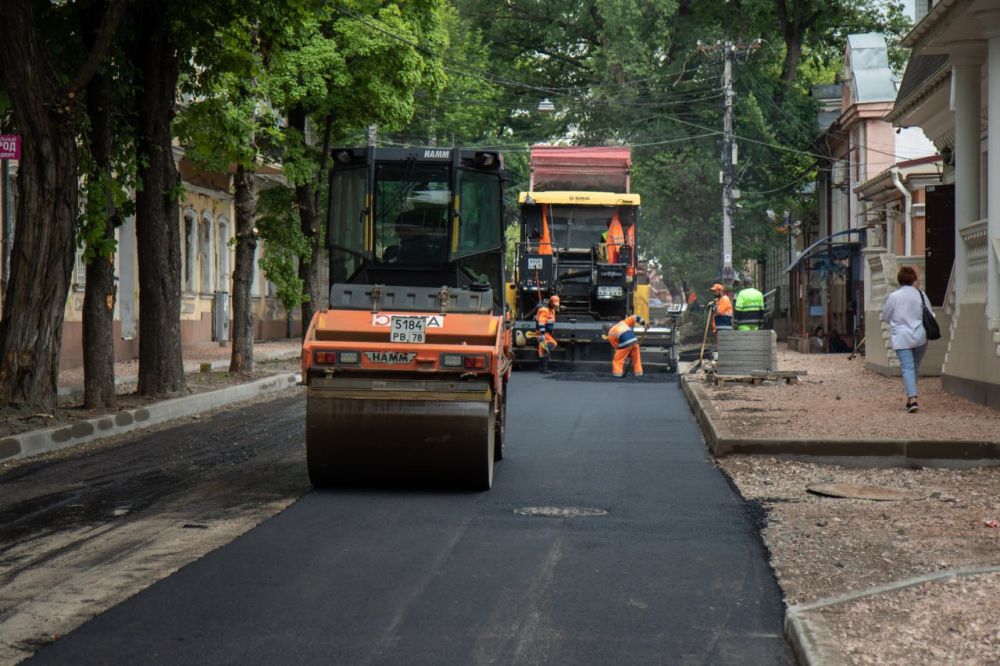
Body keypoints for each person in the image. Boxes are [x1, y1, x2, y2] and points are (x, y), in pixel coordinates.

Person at [881, 265, 935, 412]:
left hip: (901, 337)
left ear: (899, 280)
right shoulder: (921, 295)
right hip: (920, 337)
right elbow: (931, 315)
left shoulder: (894, 297)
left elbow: (885, 316)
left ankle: (913, 399)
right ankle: (910, 398)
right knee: (914, 368)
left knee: (908, 368)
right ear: (914, 279)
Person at [536, 295, 560, 373]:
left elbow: (550, 321)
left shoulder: (552, 309)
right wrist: (542, 335)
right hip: (542, 332)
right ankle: (543, 368)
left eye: (556, 305)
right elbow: (541, 323)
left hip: (546, 333)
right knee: (550, 345)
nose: (554, 306)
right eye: (553, 304)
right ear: (550, 302)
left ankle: (542, 368)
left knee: (543, 349)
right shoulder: (544, 310)